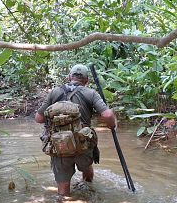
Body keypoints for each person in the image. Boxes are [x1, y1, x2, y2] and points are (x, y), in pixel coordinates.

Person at [35, 64, 116, 196]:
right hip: (82, 144)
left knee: (63, 187)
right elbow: (107, 115)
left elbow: (38, 118)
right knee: (87, 170)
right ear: (87, 80)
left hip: (59, 145)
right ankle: (88, 192)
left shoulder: (55, 92)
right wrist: (112, 125)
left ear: (69, 77)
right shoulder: (91, 93)